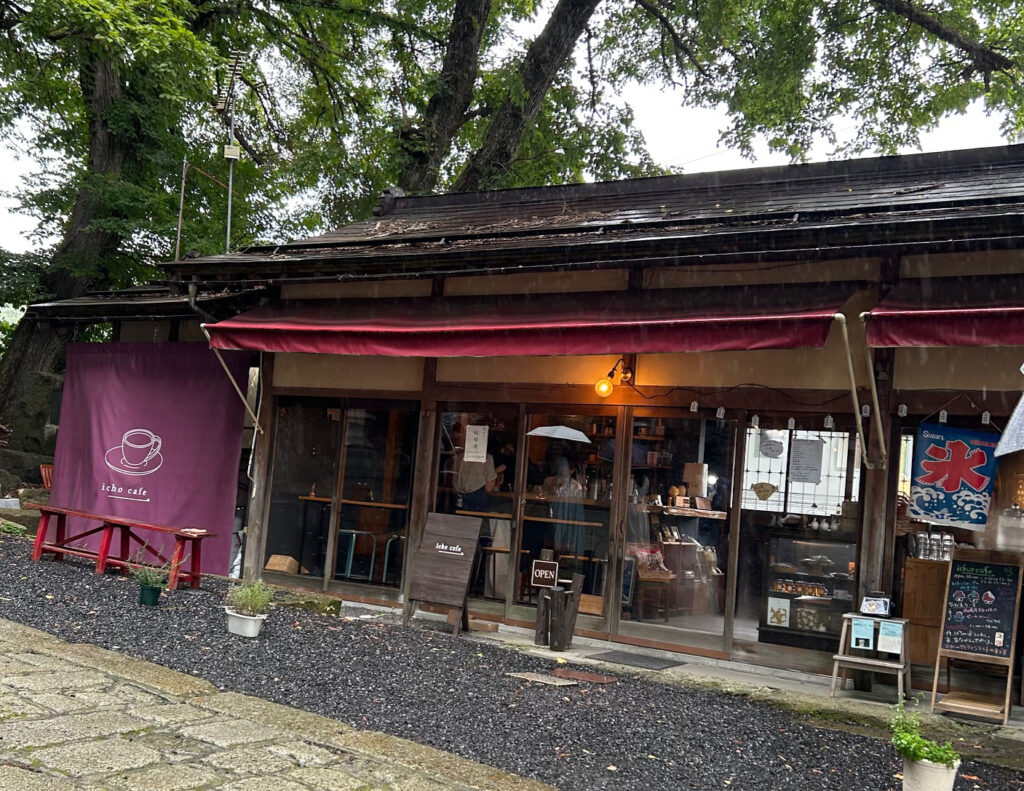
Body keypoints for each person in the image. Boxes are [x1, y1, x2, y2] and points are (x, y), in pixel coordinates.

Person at [450, 423, 506, 513]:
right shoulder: (487, 458)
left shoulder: (459, 457)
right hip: (476, 502)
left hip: (458, 500)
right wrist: (496, 472)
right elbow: (489, 488)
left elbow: (453, 479)